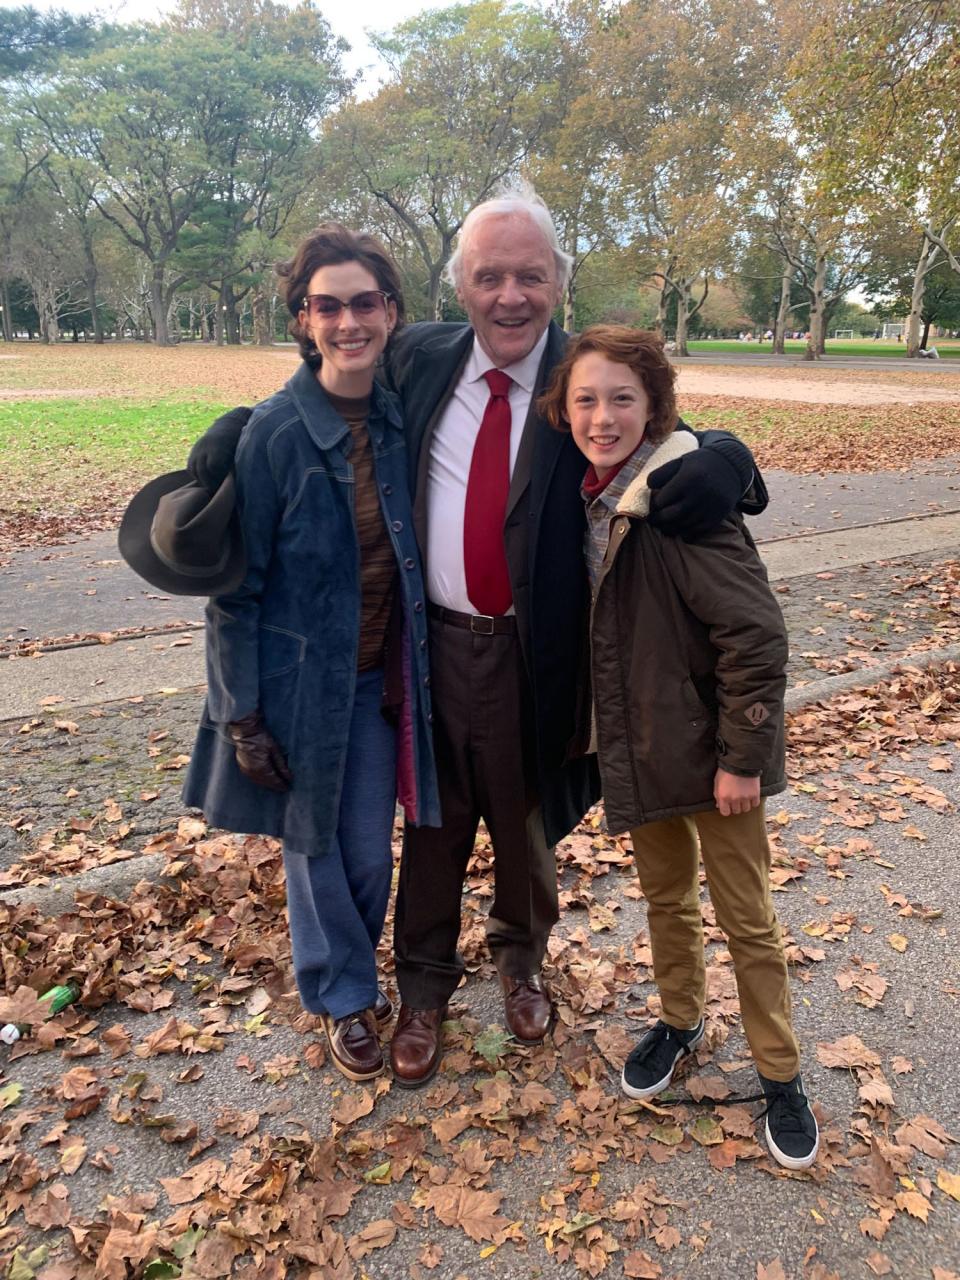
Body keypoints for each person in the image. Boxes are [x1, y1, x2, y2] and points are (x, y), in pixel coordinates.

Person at [186, 187, 766, 1090]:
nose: (509, 296)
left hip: (542, 653)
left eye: (529, 276)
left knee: (525, 819)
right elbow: (330, 368)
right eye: (489, 276)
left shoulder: (581, 375)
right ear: (458, 288)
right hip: (428, 647)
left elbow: (653, 420)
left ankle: (521, 960)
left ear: (556, 286)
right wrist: (238, 433)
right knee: (434, 823)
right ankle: (422, 991)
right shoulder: (418, 359)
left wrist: (727, 456)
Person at [538, 324, 818, 1170]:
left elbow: (756, 636)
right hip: (640, 741)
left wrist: (743, 758)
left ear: (654, 407)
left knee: (747, 919)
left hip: (713, 751)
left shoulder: (685, 494)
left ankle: (780, 1074)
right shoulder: (582, 494)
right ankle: (681, 1018)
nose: (602, 415)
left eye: (622, 398)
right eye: (586, 398)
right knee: (665, 901)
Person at [181, 224, 440, 1083]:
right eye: (326, 305)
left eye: (365, 303)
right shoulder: (275, 435)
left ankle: (349, 974)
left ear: (392, 312)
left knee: (367, 852)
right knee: (316, 850)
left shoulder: (406, 415)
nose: (348, 321)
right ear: (302, 319)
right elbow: (235, 589)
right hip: (293, 692)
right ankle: (343, 997)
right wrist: (240, 713)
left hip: (376, 683)